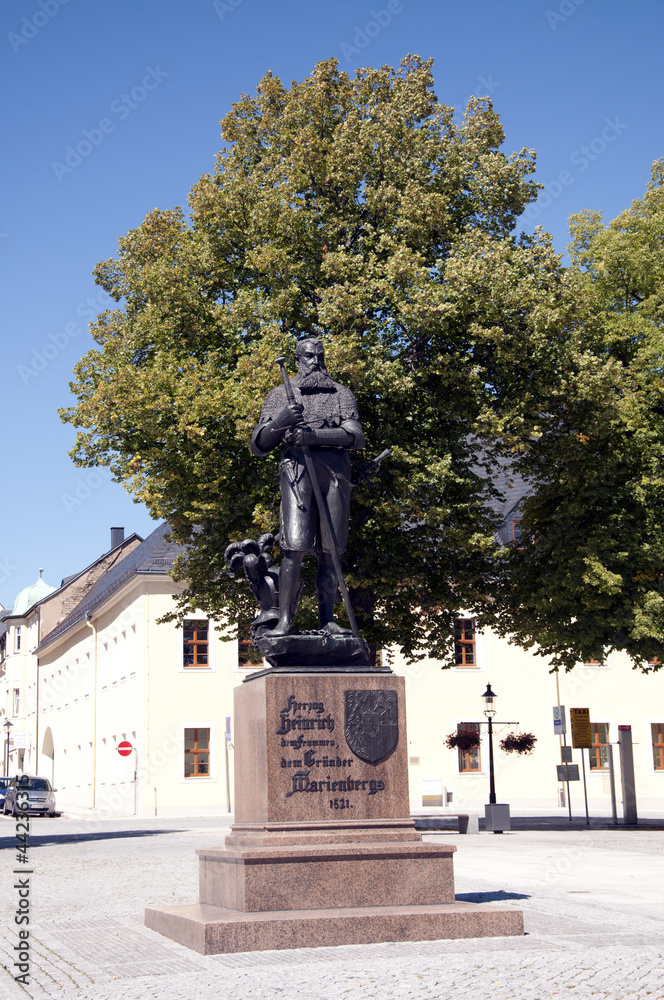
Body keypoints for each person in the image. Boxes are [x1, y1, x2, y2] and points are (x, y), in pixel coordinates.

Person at [250, 338, 365, 636]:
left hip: (334, 476)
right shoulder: (280, 396)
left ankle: (327, 619)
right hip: (296, 473)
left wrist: (311, 436)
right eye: (310, 357)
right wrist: (282, 421)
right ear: (298, 359)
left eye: (320, 357)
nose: (316, 362)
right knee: (294, 546)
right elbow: (259, 445)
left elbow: (355, 436)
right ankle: (286, 621)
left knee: (331, 549)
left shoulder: (341, 394)